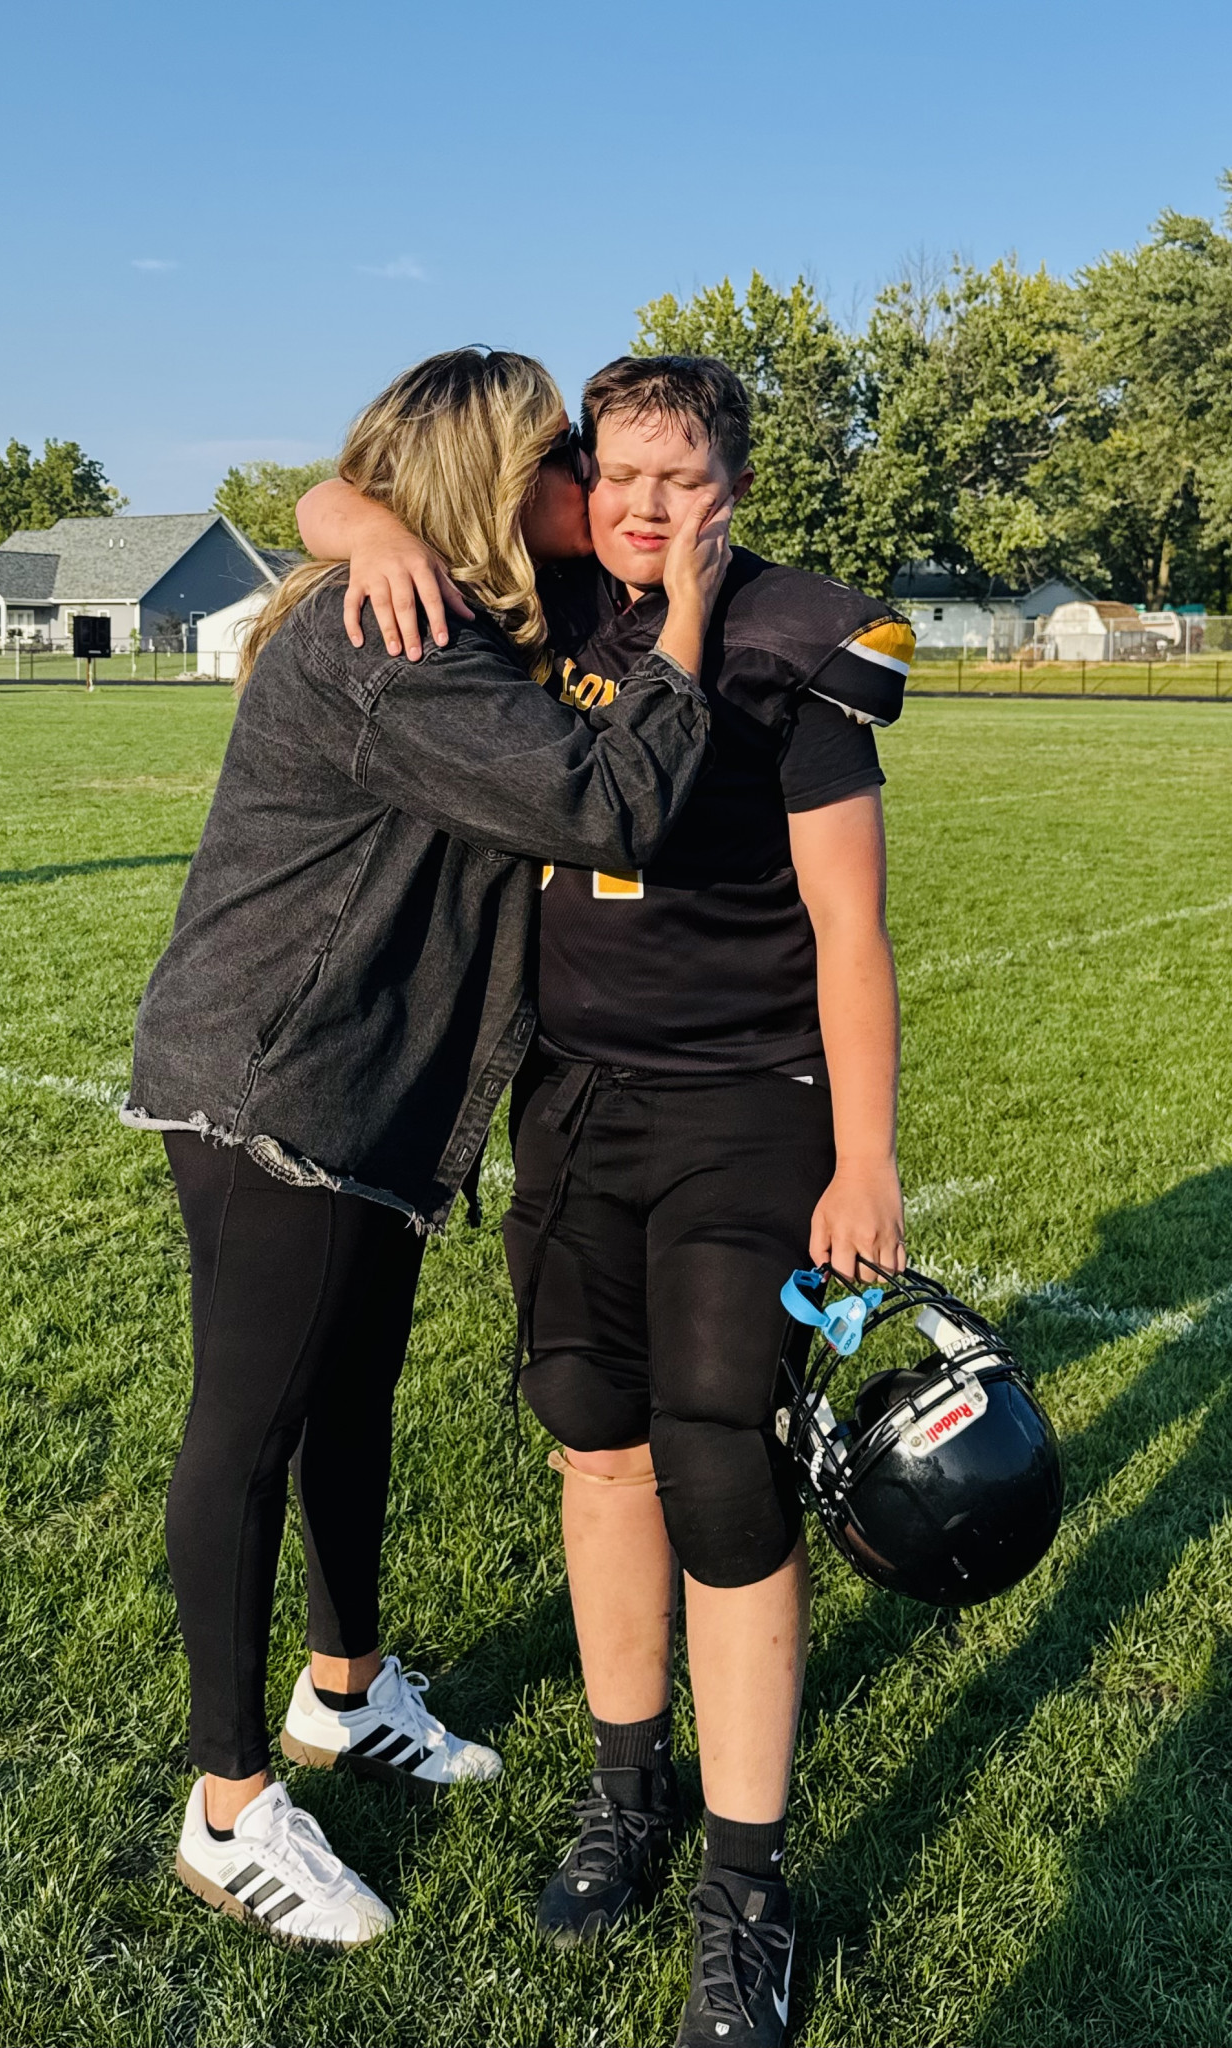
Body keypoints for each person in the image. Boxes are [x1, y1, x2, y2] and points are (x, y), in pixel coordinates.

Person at [298, 352, 912, 2037]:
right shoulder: (544, 597)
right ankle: (627, 1789)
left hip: (746, 1098)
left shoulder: (793, 643)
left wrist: (865, 1156)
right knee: (592, 1434)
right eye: (620, 473)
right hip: (571, 1097)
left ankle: (744, 1880)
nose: (644, 506)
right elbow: (338, 497)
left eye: (680, 477)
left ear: (733, 486)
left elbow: (848, 926)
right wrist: (363, 524)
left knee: (719, 1456)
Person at [122, 346, 735, 1948]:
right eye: (562, 458)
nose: (590, 484)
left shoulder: (445, 602)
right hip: (283, 1078)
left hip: (367, 1083)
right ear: (493, 482)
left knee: (349, 1399)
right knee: (248, 1426)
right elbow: (608, 807)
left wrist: (351, 513)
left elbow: (341, 500)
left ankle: (343, 1689)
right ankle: (227, 1806)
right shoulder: (388, 634)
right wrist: (686, 616)